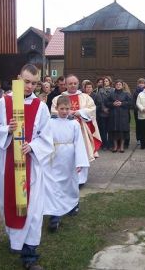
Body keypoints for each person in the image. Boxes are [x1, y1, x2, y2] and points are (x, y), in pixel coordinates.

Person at [0, 64, 53, 270]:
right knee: (9, 202)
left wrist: (32, 146)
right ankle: (15, 240)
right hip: (7, 160)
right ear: (18, 78)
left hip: (31, 164)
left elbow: (46, 135)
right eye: (26, 82)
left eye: (34, 83)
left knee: (32, 209)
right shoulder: (2, 103)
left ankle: (30, 255)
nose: (30, 87)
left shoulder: (40, 106)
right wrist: (7, 129)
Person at [43, 96, 89, 232]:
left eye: (67, 109)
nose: (64, 111)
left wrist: (79, 161)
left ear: (71, 109)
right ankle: (54, 215)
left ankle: (73, 204)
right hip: (54, 156)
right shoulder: (50, 122)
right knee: (54, 184)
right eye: (62, 109)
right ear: (56, 108)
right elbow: (45, 139)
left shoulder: (74, 123)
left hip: (69, 156)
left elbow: (79, 143)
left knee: (70, 183)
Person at [51, 74, 101, 185]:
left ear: (78, 84)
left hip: (82, 131)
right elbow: (53, 112)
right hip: (64, 133)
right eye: (70, 83)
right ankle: (65, 177)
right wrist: (67, 113)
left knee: (81, 152)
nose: (73, 86)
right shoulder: (58, 98)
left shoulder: (85, 97)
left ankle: (80, 180)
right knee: (65, 155)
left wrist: (79, 112)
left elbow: (92, 110)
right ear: (66, 85)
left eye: (75, 83)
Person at [106, 79, 132, 153]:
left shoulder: (126, 94)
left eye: (120, 84)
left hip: (123, 115)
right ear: (115, 85)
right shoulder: (111, 94)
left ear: (122, 85)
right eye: (117, 84)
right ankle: (115, 146)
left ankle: (122, 146)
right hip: (113, 115)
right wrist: (112, 104)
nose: (118, 85)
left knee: (122, 131)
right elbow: (107, 103)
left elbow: (130, 103)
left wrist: (122, 103)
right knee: (114, 131)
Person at [97, 76, 114, 150]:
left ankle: (110, 144)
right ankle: (104, 144)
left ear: (110, 82)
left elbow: (114, 100)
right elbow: (99, 100)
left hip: (111, 112)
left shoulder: (113, 90)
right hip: (102, 113)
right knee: (103, 130)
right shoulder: (100, 90)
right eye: (104, 81)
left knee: (110, 129)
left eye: (107, 81)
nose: (105, 82)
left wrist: (109, 108)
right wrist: (103, 108)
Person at [133, 78, 145, 145]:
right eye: (140, 83)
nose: (141, 84)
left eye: (143, 83)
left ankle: (143, 138)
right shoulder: (135, 91)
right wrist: (138, 108)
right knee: (138, 125)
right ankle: (138, 139)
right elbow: (134, 102)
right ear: (138, 84)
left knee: (143, 125)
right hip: (137, 111)